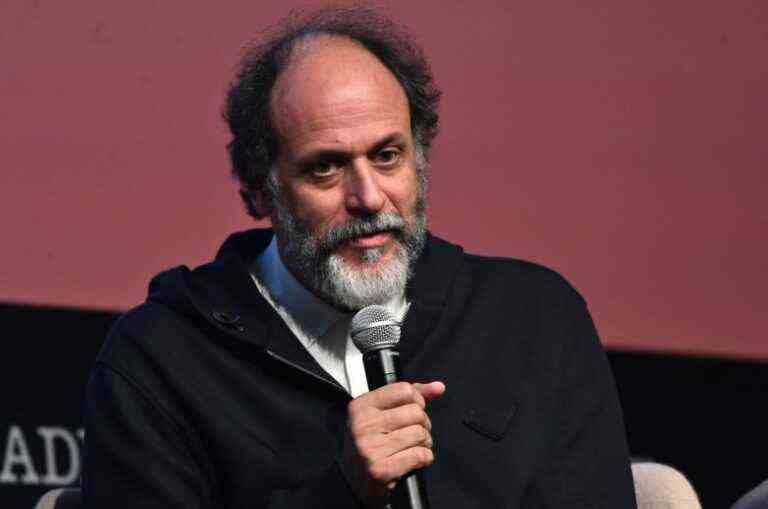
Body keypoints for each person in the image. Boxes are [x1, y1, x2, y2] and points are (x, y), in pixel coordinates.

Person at [82, 6, 637, 508]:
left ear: (419, 161)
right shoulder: (164, 358)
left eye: (388, 156)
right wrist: (343, 491)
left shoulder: (534, 322)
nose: (369, 198)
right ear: (257, 190)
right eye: (325, 167)